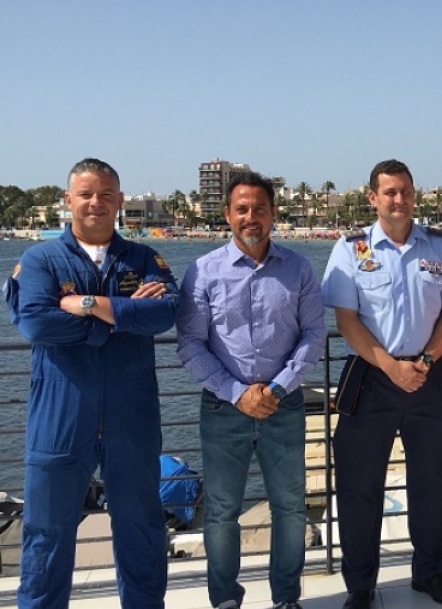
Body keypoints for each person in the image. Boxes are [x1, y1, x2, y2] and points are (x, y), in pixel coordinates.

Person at [3, 158, 179, 609]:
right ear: (69, 200)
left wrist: (85, 304)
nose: (95, 202)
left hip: (131, 418)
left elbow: (166, 312)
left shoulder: (144, 258)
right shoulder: (40, 260)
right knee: (46, 532)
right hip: (59, 416)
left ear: (119, 200)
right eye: (85, 194)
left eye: (105, 194)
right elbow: (37, 323)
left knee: (142, 527)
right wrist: (120, 316)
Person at [176, 171, 327, 609]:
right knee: (222, 511)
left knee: (290, 507)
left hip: (285, 404)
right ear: (227, 214)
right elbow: (190, 343)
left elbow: (314, 334)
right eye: (241, 209)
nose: (250, 216)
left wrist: (278, 387)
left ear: (273, 213)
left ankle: (286, 598)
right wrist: (236, 392)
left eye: (259, 208)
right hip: (223, 408)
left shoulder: (299, 269)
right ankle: (225, 599)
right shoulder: (203, 271)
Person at [321, 159, 442, 609]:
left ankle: (431, 574)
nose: (398, 199)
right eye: (389, 192)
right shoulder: (351, 249)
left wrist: (425, 360)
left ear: (414, 195)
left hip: (427, 374)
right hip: (370, 376)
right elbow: (346, 320)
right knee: (359, 484)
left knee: (433, 480)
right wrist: (390, 366)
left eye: (405, 191)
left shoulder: (439, 246)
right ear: (373, 198)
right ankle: (361, 584)